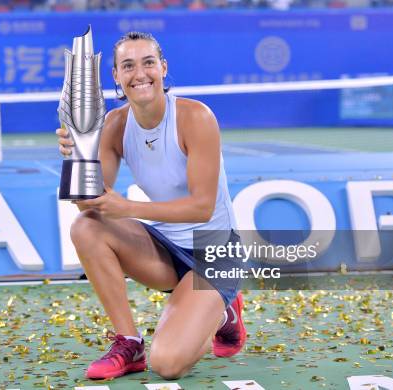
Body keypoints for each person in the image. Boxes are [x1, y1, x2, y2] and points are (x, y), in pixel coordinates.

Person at [56, 31, 246, 380]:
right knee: (85, 228)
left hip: (215, 250)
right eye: (128, 66)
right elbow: (91, 208)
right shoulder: (114, 125)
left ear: (163, 68)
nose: (139, 73)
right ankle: (129, 342)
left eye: (148, 63)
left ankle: (221, 313)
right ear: (115, 76)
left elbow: (202, 208)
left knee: (169, 364)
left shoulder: (195, 118)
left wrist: (127, 207)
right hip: (166, 250)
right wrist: (77, 156)